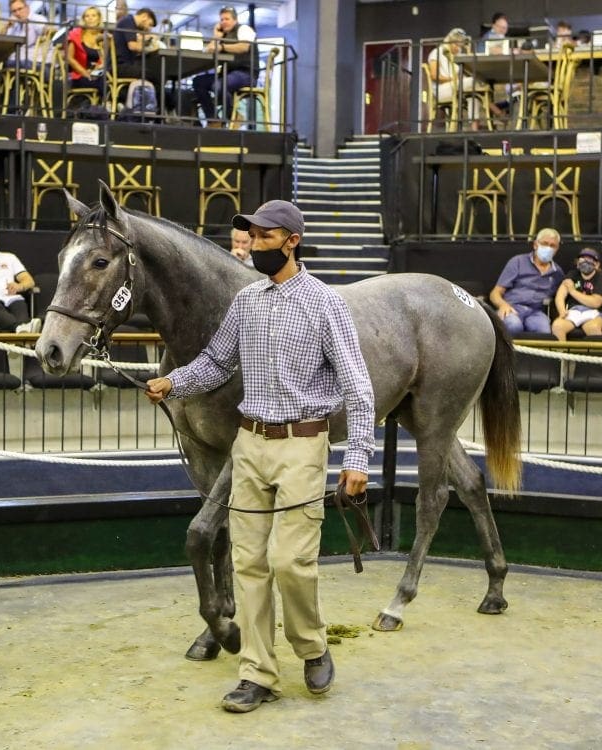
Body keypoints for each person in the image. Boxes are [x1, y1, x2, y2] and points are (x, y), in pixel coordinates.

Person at [144, 200, 375, 714]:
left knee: (290, 561)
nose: (251, 245)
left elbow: (359, 388)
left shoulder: (325, 304)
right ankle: (257, 673)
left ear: (291, 241)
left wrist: (357, 457)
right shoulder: (247, 302)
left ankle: (313, 647)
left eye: (263, 237)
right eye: (249, 237)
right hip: (249, 445)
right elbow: (214, 362)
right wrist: (173, 382)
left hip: (302, 445)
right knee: (248, 562)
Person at [489, 228, 565, 335]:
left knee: (544, 330)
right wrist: (502, 305)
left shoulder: (557, 273)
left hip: (536, 312)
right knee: (513, 325)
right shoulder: (518, 262)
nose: (548, 248)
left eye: (552, 246)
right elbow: (495, 293)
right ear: (535, 245)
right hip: (513, 308)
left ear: (557, 249)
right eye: (545, 243)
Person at [193, 6, 257, 127]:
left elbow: (244, 47)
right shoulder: (223, 35)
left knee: (218, 85)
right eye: (221, 19)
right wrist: (217, 37)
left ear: (235, 20)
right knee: (198, 82)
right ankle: (213, 120)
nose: (223, 22)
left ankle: (233, 116)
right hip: (228, 73)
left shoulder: (244, 29)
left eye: (226, 19)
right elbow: (209, 51)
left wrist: (222, 47)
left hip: (246, 73)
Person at [428, 28, 501, 130]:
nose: (458, 48)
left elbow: (467, 72)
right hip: (442, 89)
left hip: (454, 87)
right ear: (450, 41)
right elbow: (434, 75)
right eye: (457, 45)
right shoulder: (437, 52)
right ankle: (496, 111)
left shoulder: (456, 56)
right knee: (473, 82)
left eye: (460, 45)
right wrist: (452, 79)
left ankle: (474, 128)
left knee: (473, 94)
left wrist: (468, 51)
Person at [551, 247, 602, 341]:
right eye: (582, 258)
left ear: (597, 264)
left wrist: (573, 291)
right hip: (574, 310)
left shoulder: (601, 277)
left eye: (590, 259)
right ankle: (561, 355)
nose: (585, 261)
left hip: (595, 312)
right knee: (557, 326)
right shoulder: (572, 274)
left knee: (593, 327)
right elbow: (560, 295)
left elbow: (596, 302)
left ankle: (595, 355)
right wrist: (562, 311)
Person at [66, 6, 105, 104]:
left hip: (98, 74)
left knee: (107, 79)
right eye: (87, 16)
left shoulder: (103, 36)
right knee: (103, 82)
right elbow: (69, 58)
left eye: (93, 15)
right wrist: (85, 73)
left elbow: (105, 59)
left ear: (99, 18)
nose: (90, 18)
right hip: (80, 75)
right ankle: (107, 105)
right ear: (83, 19)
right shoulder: (75, 34)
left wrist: (100, 67)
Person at [112, 7, 159, 85]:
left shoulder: (129, 23)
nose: (148, 28)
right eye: (149, 24)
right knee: (154, 75)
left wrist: (144, 40)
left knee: (151, 73)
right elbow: (133, 46)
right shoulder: (128, 21)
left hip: (122, 65)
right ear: (145, 16)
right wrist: (152, 47)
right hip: (119, 66)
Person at [2, 0, 49, 66]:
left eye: (20, 9)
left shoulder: (37, 19)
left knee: (7, 64)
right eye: (14, 11)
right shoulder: (15, 25)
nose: (17, 13)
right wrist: (6, 27)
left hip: (35, 61)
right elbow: (4, 42)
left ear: (27, 7)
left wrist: (28, 23)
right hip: (17, 60)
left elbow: (46, 31)